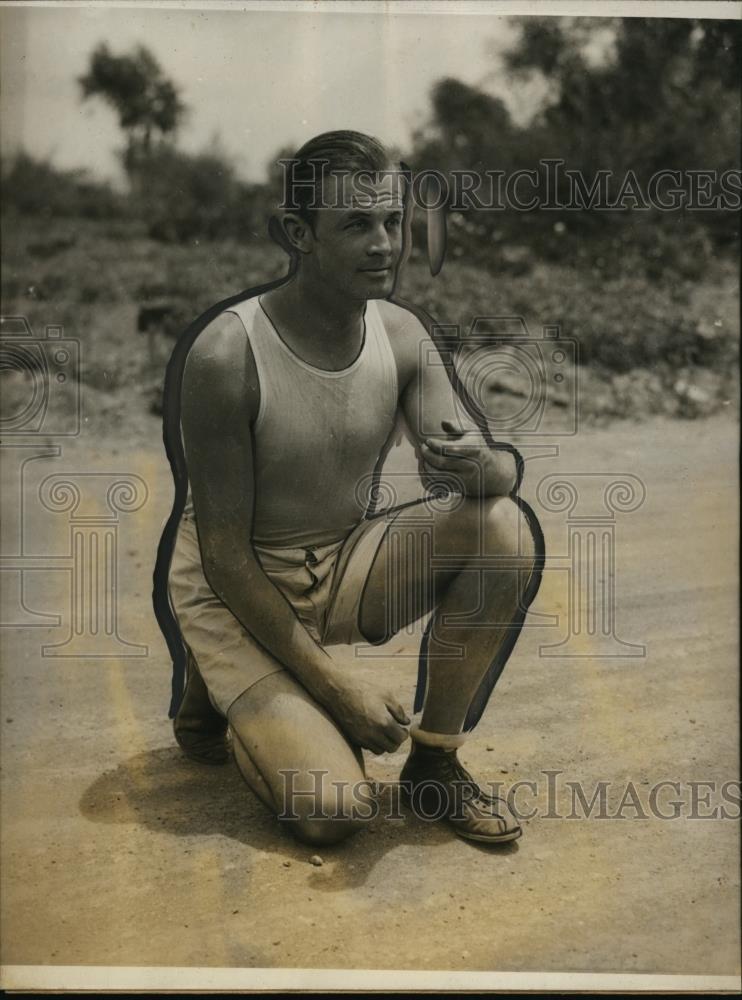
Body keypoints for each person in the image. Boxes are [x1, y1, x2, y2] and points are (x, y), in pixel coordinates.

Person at [164, 130, 542, 847]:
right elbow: (224, 557)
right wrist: (335, 686)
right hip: (234, 593)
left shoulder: (399, 334)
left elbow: (490, 472)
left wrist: (484, 467)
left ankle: (435, 764)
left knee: (503, 528)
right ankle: (224, 685)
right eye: (356, 225)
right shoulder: (226, 353)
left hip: (336, 567)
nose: (385, 245)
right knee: (334, 811)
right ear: (296, 233)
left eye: (393, 221)